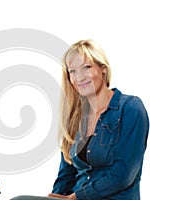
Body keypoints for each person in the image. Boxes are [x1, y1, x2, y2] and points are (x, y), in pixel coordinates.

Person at [11, 39, 149, 200]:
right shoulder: (75, 117)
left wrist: (79, 196)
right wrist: (56, 198)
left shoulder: (130, 108)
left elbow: (124, 174)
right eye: (73, 71)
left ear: (103, 69)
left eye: (87, 67)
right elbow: (66, 173)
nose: (79, 77)